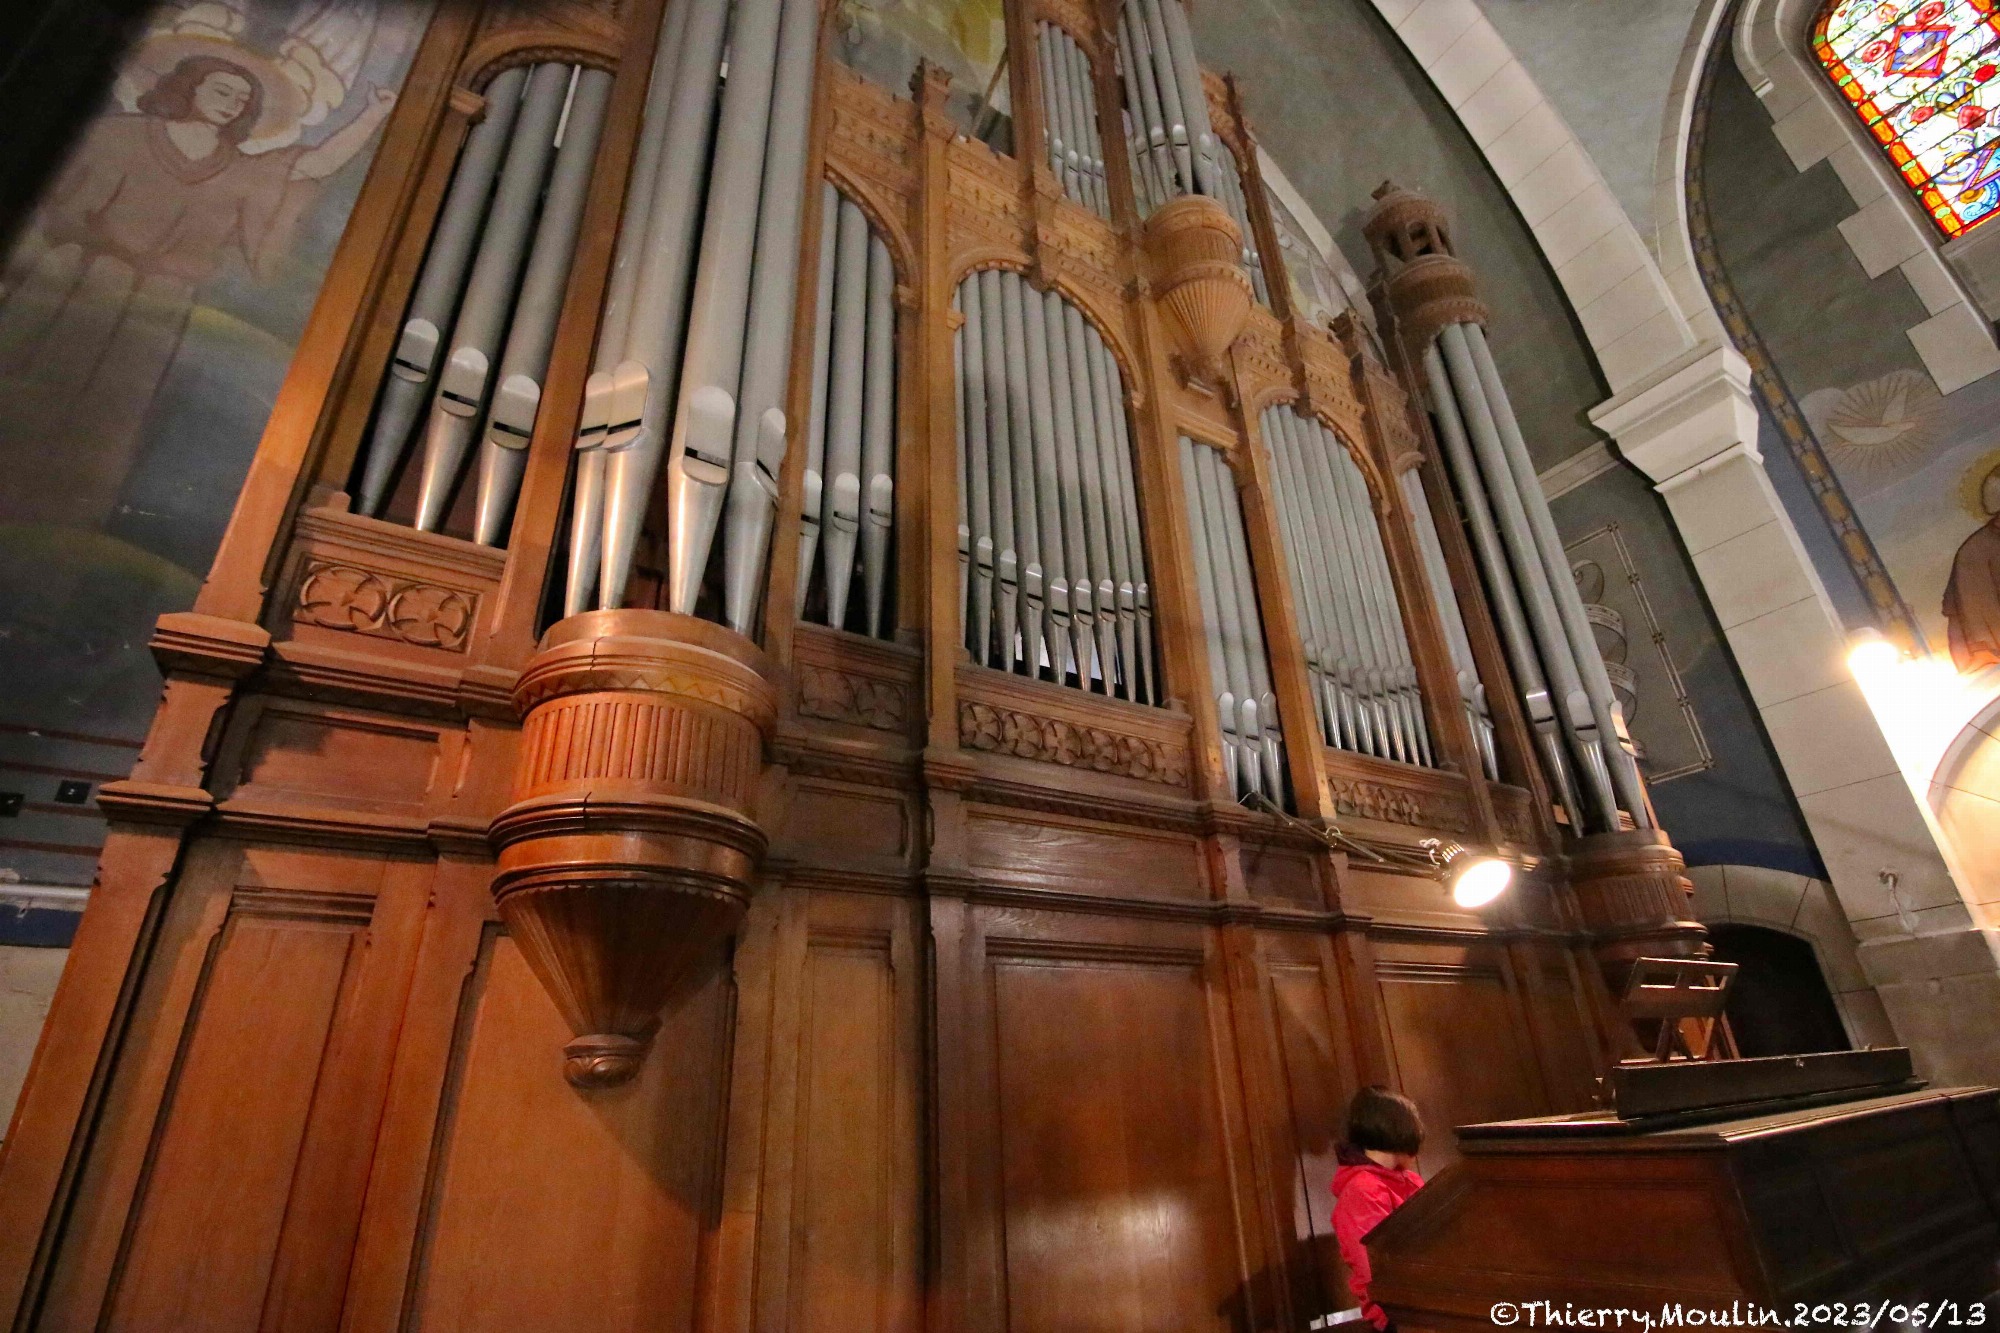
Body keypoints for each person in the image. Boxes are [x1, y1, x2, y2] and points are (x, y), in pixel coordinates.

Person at [1330, 1085, 1426, 1331]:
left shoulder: (1407, 1180)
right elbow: (1378, 1267)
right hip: (1398, 1314)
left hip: (1425, 1302)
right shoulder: (1362, 1190)